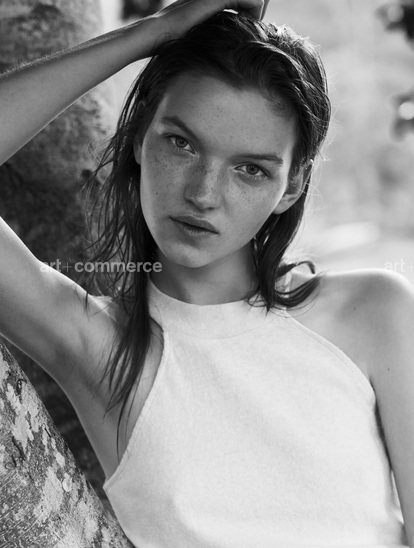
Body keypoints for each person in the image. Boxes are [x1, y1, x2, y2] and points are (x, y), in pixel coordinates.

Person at [0, 1, 413, 546]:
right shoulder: (99, 350)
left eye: (250, 169)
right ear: (140, 135)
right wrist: (156, 31)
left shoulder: (377, 312)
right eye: (182, 143)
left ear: (291, 185)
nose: (203, 193)